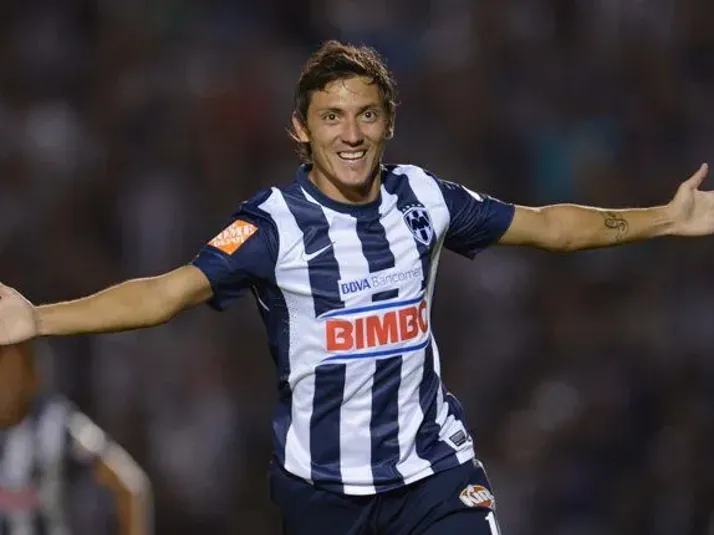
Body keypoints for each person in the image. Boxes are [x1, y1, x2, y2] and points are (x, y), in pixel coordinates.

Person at [0, 40, 712, 534]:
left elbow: (549, 225)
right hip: (323, 494)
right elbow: (165, 293)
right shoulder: (273, 225)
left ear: (388, 122)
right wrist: (40, 319)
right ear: (301, 128)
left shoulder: (423, 199)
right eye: (331, 116)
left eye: (366, 114)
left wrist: (666, 218)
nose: (351, 134)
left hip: (432, 473)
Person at [0, 342, 153, 535]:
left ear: (31, 376)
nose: (5, 385)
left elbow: (129, 484)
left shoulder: (57, 423)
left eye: (12, 374)